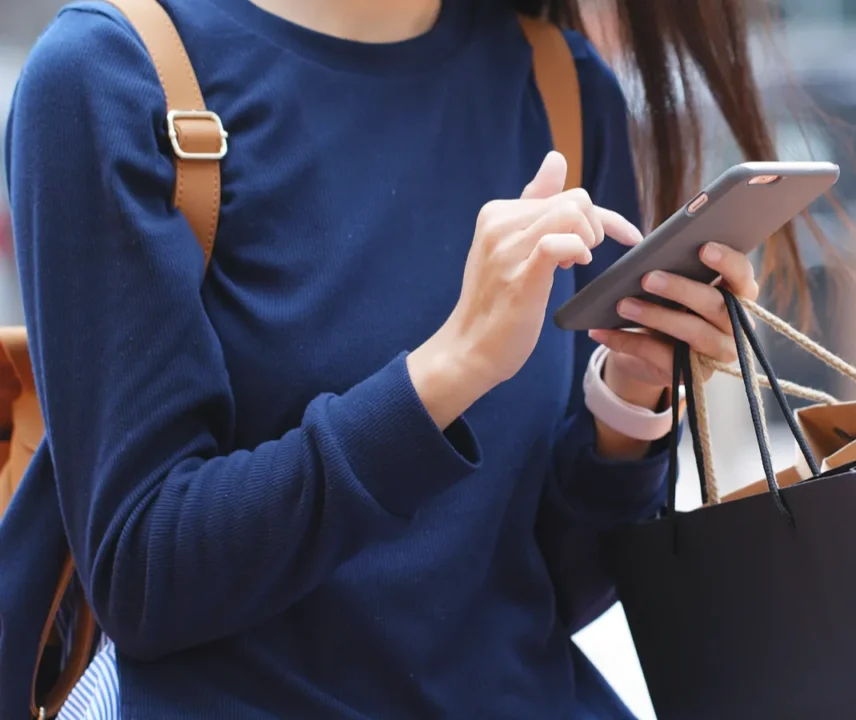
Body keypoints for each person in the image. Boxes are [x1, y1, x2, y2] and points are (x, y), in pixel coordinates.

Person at [3, 0, 812, 716]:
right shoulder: (116, 76)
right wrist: (449, 370)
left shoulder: (560, 85)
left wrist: (630, 399)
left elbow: (552, 587)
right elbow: (145, 577)